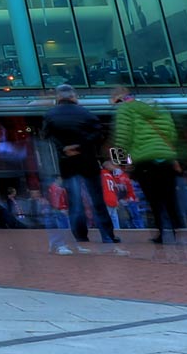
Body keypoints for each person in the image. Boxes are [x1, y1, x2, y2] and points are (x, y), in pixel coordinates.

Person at [41, 84, 120, 250]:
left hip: (67, 162)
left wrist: (64, 148)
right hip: (88, 160)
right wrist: (81, 146)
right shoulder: (85, 112)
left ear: (58, 97)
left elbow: (46, 135)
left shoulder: (51, 114)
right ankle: (107, 235)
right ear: (73, 96)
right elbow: (98, 133)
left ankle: (80, 235)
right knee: (97, 200)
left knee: (75, 201)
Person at [109, 85, 187, 245]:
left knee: (154, 198)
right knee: (170, 196)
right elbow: (172, 133)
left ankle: (163, 233)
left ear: (119, 97)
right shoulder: (160, 107)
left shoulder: (125, 109)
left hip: (144, 159)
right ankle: (178, 232)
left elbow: (122, 138)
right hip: (165, 157)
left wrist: (122, 163)